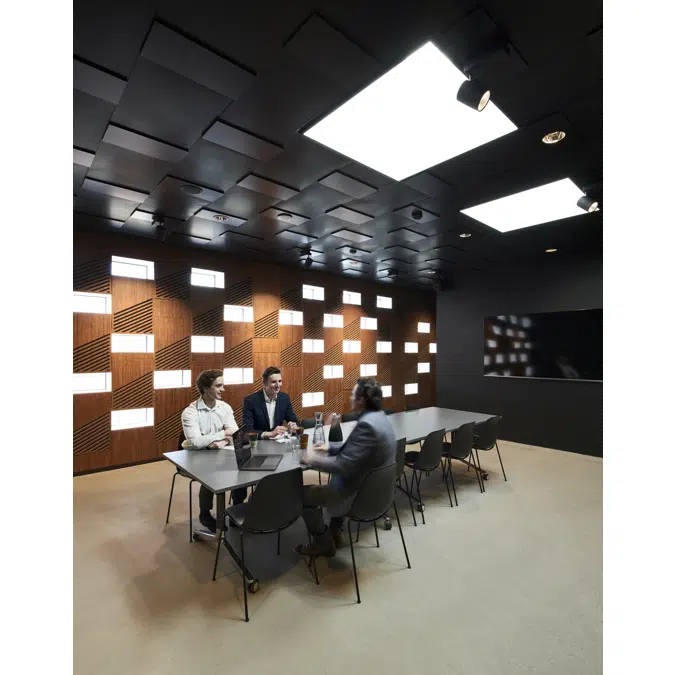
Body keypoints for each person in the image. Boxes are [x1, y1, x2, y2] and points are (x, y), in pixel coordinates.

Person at [295, 378, 396, 559]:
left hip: (358, 496)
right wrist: (330, 448)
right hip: (379, 493)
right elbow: (357, 450)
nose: (350, 398)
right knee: (340, 480)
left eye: (353, 394)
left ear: (361, 400)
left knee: (301, 495)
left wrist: (311, 460)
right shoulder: (380, 418)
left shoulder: (366, 425)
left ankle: (323, 542)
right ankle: (335, 532)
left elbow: (342, 466)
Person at [181, 369, 247, 533]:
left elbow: (235, 433)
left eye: (222, 385)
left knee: (242, 466)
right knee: (211, 472)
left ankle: (237, 508)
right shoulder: (190, 412)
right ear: (205, 388)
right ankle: (205, 513)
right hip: (197, 455)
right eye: (218, 386)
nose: (223, 389)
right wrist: (223, 434)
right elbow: (196, 442)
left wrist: (222, 442)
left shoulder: (225, 407)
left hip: (220, 450)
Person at [242, 366, 299, 438]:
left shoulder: (284, 398)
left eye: (279, 381)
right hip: (259, 442)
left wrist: (294, 426)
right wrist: (270, 434)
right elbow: (247, 431)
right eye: (273, 382)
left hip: (277, 442)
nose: (278, 385)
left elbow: (295, 421)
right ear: (264, 383)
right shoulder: (250, 401)